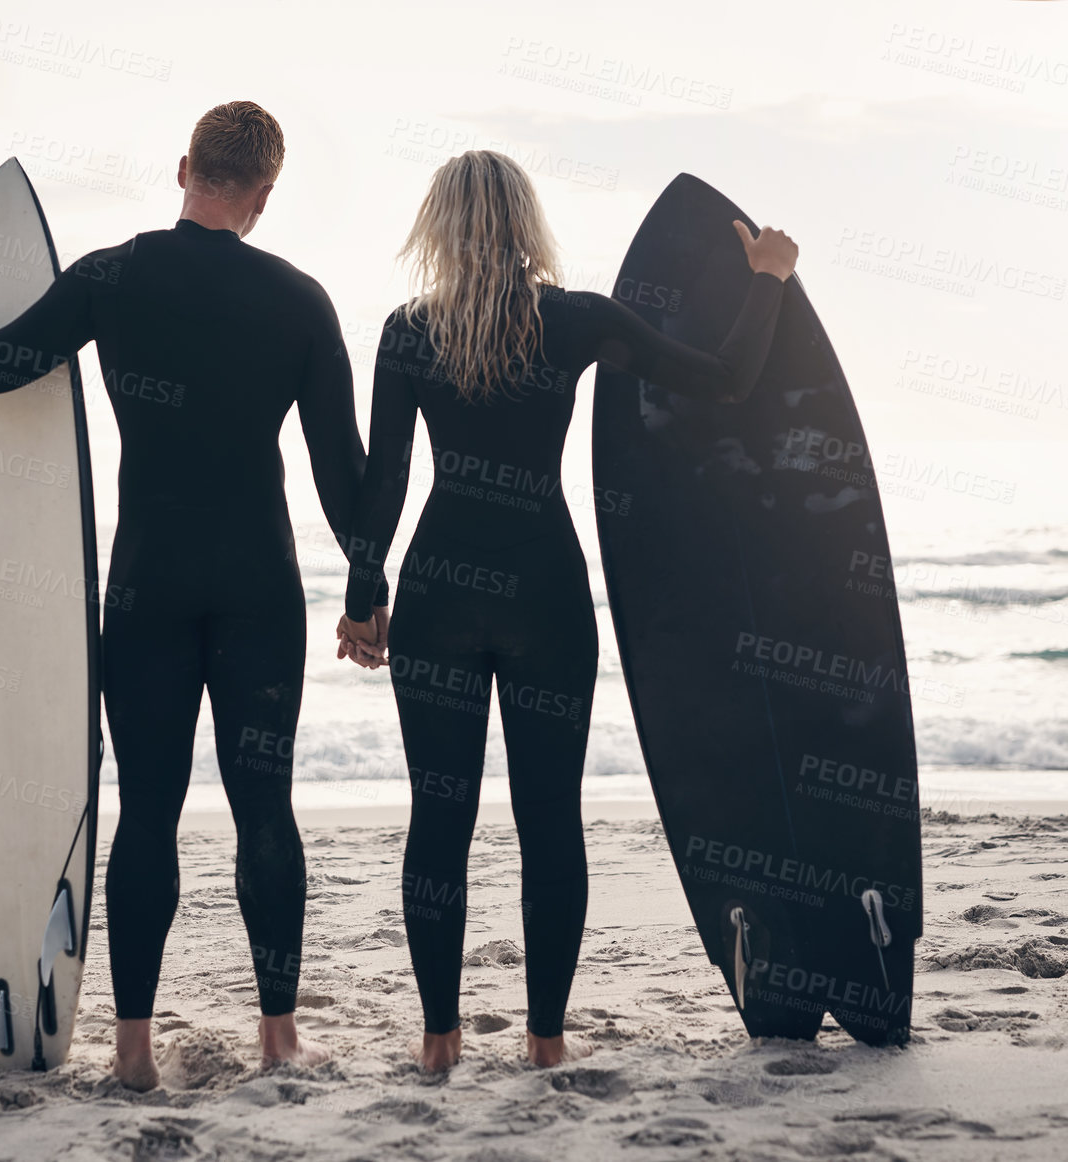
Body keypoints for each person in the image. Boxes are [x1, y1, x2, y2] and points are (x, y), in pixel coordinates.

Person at [0, 101, 388, 1090]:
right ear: (263, 195)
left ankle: (130, 1051)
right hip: (258, 588)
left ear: (184, 169)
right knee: (265, 813)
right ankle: (280, 1039)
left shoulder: (114, 275)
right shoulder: (300, 301)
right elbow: (347, 479)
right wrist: (368, 597)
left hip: (148, 588)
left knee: (147, 811)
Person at [334, 151, 796, 1070]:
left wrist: (364, 593)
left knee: (439, 817)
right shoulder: (574, 319)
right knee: (550, 817)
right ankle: (546, 1045)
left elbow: (383, 484)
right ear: (523, 222)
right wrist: (768, 284)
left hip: (439, 590)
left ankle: (438, 1044)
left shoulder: (406, 332)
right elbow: (724, 379)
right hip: (544, 589)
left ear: (438, 225)